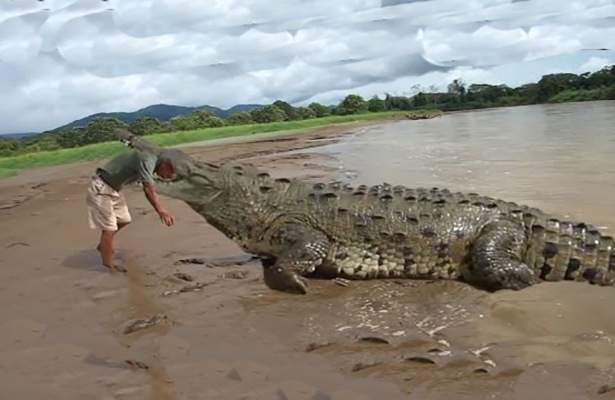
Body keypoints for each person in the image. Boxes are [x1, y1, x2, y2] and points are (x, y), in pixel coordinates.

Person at [86, 148, 175, 272]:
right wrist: (161, 210)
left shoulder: (155, 161)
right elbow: (148, 190)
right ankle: (108, 265)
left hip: (115, 188)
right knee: (109, 228)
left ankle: (103, 246)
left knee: (124, 220)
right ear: (165, 164)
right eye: (170, 173)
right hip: (101, 187)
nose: (168, 177)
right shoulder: (148, 160)